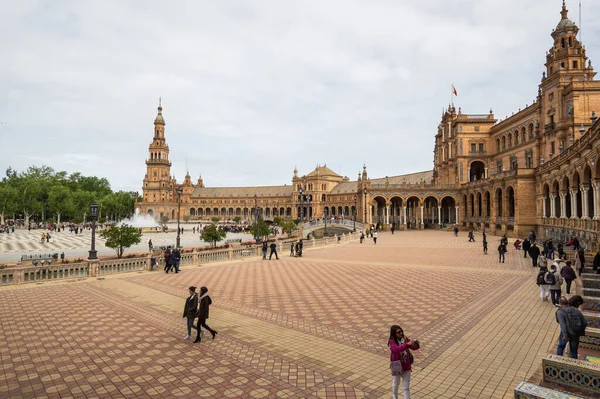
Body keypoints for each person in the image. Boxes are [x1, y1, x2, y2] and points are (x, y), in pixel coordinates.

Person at [388, 325, 419, 399]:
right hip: (397, 366)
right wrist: (407, 344)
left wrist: (416, 344)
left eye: (401, 331)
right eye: (399, 332)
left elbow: (414, 347)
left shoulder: (404, 338)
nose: (401, 333)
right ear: (394, 334)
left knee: (406, 387)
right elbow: (397, 349)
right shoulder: (392, 341)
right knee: (396, 383)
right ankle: (394, 397)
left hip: (406, 366)